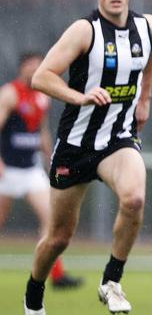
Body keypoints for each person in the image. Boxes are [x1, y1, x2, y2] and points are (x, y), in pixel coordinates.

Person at [23, 0, 152, 315]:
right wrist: (79, 96)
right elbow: (42, 76)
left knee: (133, 199)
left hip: (118, 138)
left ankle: (111, 281)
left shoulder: (149, 28)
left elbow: (151, 58)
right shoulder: (84, 31)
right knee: (58, 238)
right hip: (76, 144)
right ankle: (33, 298)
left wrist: (144, 99)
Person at [0, 52, 83, 290]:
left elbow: (42, 130)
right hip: (7, 170)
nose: (35, 69)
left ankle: (56, 276)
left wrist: (50, 159)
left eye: (39, 65)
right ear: (21, 68)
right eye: (31, 66)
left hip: (30, 169)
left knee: (52, 219)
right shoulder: (10, 94)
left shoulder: (42, 97)